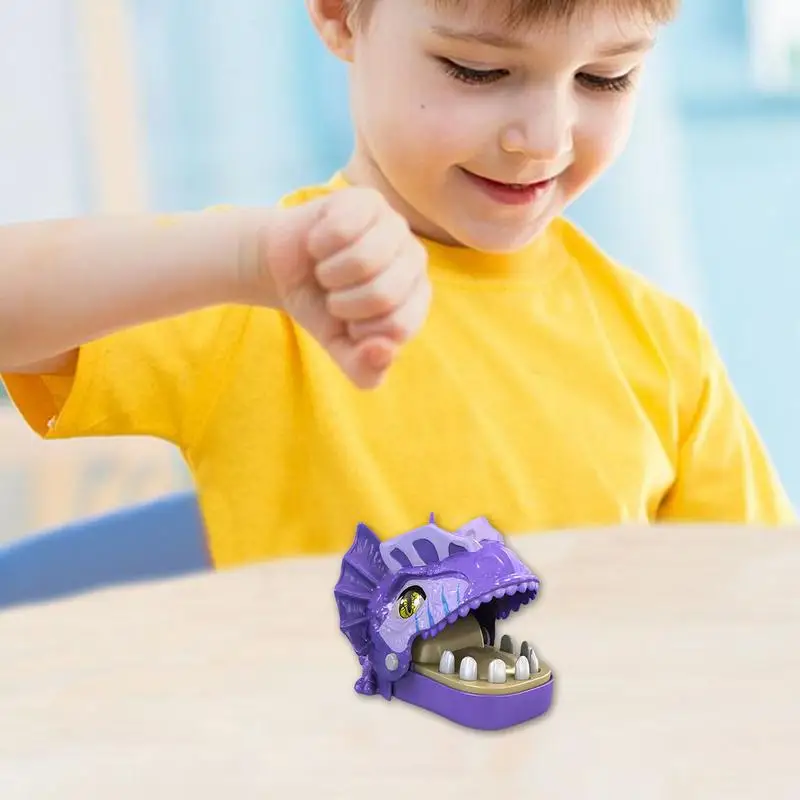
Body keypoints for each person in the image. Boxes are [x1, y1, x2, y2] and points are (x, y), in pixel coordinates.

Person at [0, 0, 794, 569]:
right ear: (341, 14)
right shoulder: (258, 294)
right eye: (479, 70)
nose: (545, 138)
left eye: (606, 77)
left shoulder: (662, 344)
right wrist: (243, 260)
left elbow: (758, 627)